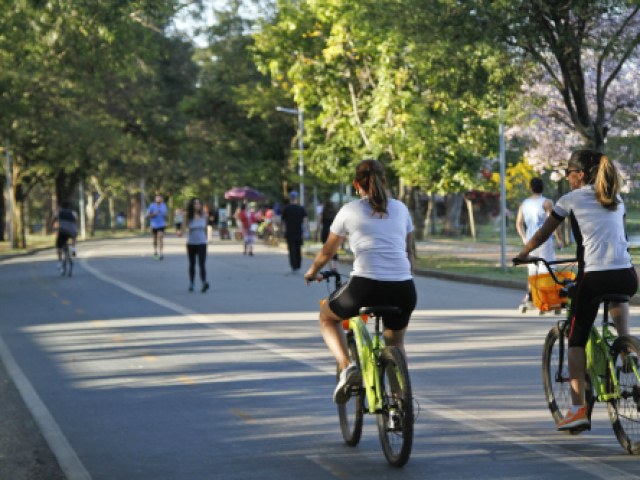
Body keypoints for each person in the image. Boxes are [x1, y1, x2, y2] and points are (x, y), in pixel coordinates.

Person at [515, 149, 638, 431]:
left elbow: (543, 233)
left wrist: (523, 254)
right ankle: (625, 348)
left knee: (575, 338)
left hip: (593, 276)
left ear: (580, 174)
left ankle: (577, 408)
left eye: (569, 173)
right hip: (628, 275)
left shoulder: (571, 199)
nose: (567, 178)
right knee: (617, 291)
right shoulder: (614, 198)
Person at [304, 159, 416, 404]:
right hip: (404, 288)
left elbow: (326, 253)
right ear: (384, 182)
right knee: (395, 342)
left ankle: (347, 367)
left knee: (326, 318)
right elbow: (409, 253)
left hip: (364, 287)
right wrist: (405, 277)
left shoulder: (348, 211)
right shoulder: (402, 209)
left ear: (356, 184)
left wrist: (312, 272)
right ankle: (400, 405)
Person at [515, 177, 563, 305]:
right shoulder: (546, 202)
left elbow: (518, 224)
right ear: (543, 188)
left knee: (532, 268)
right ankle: (546, 297)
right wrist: (559, 239)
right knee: (547, 267)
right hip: (544, 241)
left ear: (531, 188)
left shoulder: (524, 204)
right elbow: (552, 223)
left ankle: (531, 296)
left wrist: (524, 238)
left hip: (530, 242)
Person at [185, 198, 209, 293]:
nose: (197, 205)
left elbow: (206, 227)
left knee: (202, 263)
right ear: (192, 205)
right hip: (191, 242)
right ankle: (192, 283)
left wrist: (207, 238)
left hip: (202, 242)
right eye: (195, 203)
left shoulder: (204, 215)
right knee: (192, 264)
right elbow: (183, 228)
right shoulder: (188, 216)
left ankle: (204, 282)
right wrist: (180, 232)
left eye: (198, 203)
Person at [282, 191, 308, 274]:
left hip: (289, 232)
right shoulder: (301, 208)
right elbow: (305, 220)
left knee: (292, 250)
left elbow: (282, 221)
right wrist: (304, 231)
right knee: (298, 250)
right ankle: (298, 266)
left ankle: (294, 267)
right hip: (299, 232)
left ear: (290, 198)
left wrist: (281, 230)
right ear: (297, 198)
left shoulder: (286, 208)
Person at [50, 200, 78, 269]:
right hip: (72, 230)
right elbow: (76, 221)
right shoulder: (73, 213)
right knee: (74, 235)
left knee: (59, 246)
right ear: (69, 207)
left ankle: (60, 262)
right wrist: (76, 228)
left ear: (61, 207)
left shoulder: (58, 212)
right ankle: (74, 248)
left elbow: (52, 220)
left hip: (62, 231)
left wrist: (51, 227)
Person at [318, 196, 338, 271]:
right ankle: (335, 266)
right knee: (334, 249)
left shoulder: (322, 214)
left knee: (327, 250)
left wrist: (317, 233)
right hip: (334, 233)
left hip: (325, 232)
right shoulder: (335, 214)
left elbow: (319, 224)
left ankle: (331, 267)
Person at [146, 194, 168, 260]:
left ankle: (161, 253)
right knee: (155, 239)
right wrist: (153, 214)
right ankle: (155, 251)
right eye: (157, 198)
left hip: (161, 224)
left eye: (160, 198)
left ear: (161, 199)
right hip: (154, 224)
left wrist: (165, 214)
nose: (158, 199)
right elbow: (147, 215)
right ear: (155, 199)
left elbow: (166, 214)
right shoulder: (152, 206)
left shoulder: (164, 205)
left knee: (160, 237)